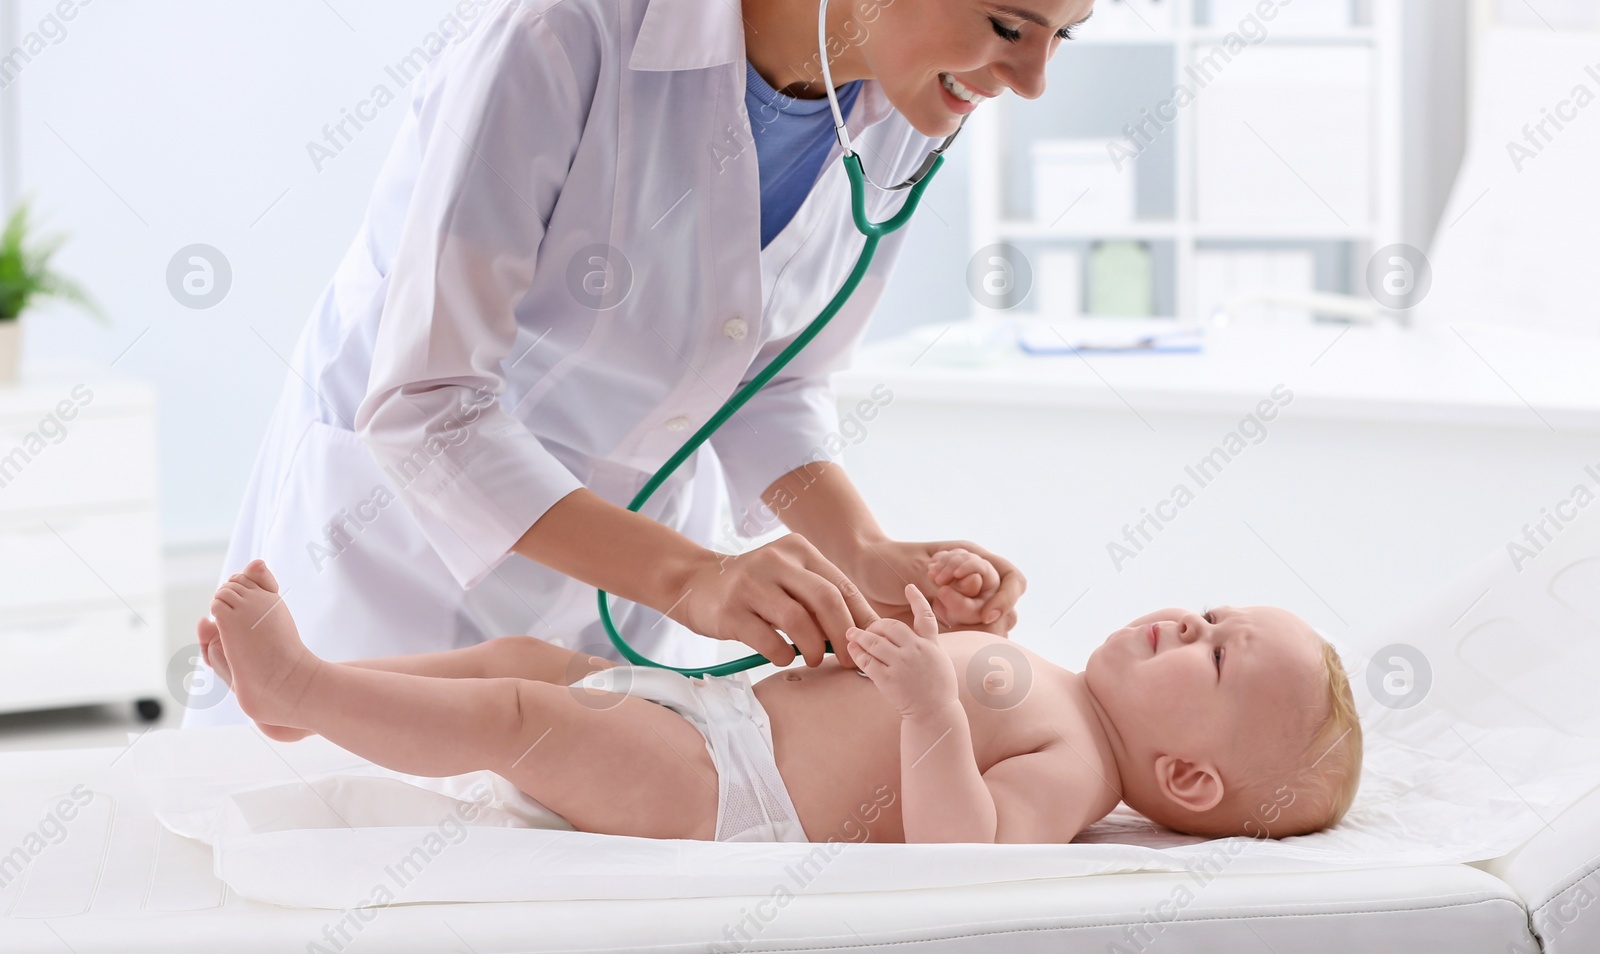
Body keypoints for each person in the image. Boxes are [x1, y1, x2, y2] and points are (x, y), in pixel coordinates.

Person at [184, 0, 1098, 728]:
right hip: (402, 549)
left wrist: (862, 553)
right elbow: (429, 404)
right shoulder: (561, 30)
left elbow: (769, 379)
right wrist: (691, 577)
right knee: (343, 854)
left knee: (558, 858)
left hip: (627, 562)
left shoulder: (907, 101)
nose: (1032, 82)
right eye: (1008, 27)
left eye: (1062, 37)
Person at [198, 555, 1363, 843]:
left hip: (725, 792)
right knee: (530, 658)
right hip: (713, 720)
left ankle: (298, 679)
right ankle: (314, 704)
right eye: (1209, 614)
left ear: (1188, 780)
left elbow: (965, 849)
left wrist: (931, 709)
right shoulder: (1051, 679)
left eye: (1213, 659)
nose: (1186, 625)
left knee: (518, 720)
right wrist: (925, 611)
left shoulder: (1077, 767)